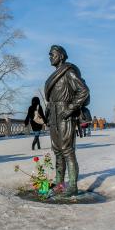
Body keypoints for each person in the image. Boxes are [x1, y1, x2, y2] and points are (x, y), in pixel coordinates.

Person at [44, 45, 89, 197]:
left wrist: (69, 110)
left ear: (61, 56)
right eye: (49, 54)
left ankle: (73, 186)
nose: (50, 56)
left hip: (65, 114)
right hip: (54, 116)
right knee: (57, 151)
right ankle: (59, 183)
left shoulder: (68, 72)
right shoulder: (55, 74)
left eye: (53, 54)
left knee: (67, 150)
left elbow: (83, 91)